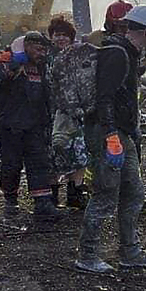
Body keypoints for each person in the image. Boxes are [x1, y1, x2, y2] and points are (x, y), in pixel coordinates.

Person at [75, 5, 146, 274]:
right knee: (105, 194)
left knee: (133, 193)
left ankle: (130, 253)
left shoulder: (127, 54)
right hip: (108, 133)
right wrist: (111, 135)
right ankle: (87, 255)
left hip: (121, 133)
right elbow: (105, 98)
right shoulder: (117, 54)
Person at [0, 31, 61, 220]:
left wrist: (49, 121)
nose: (42, 53)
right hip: (9, 125)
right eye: (38, 49)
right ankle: (10, 200)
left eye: (44, 50)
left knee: (39, 164)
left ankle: (42, 204)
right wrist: (15, 65)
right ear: (26, 47)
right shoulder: (7, 59)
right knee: (11, 166)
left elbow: (49, 94)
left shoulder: (43, 66)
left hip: (35, 125)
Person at [46, 16, 88, 209]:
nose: (61, 39)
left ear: (71, 37)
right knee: (53, 154)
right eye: (57, 35)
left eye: (64, 35)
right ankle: (51, 196)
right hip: (52, 115)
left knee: (78, 154)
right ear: (51, 37)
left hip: (76, 114)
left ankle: (75, 193)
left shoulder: (80, 56)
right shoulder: (45, 56)